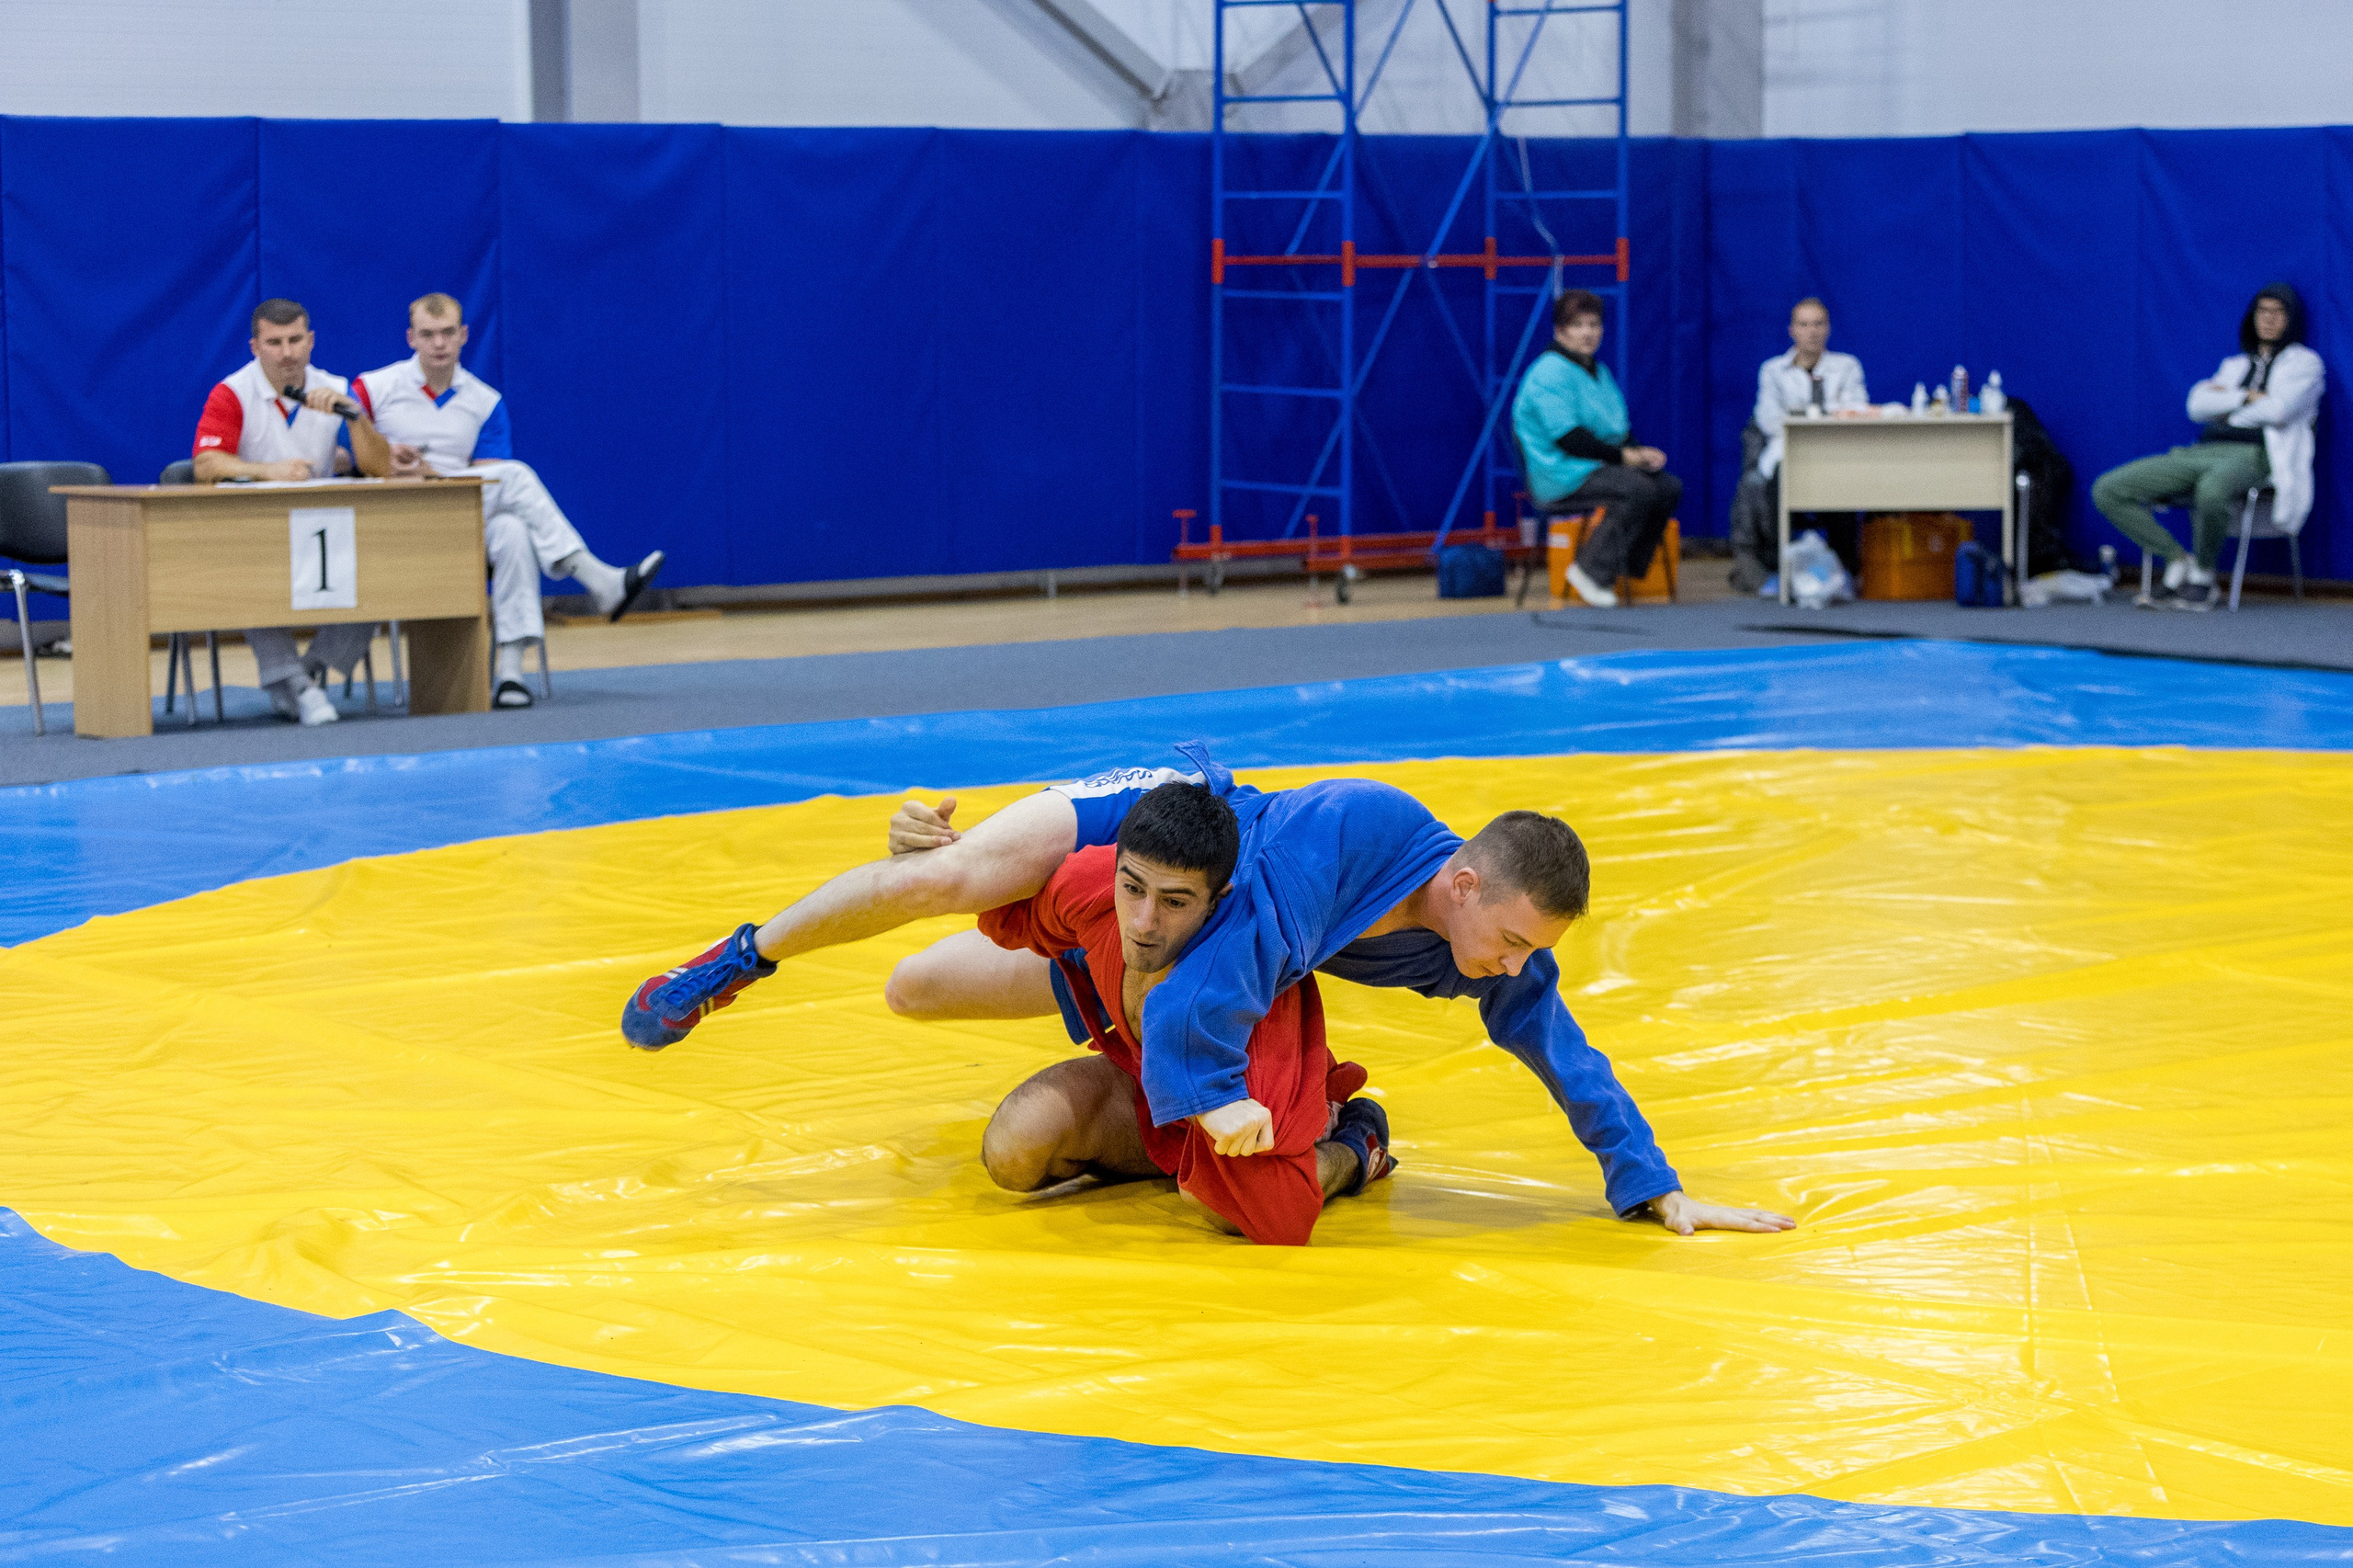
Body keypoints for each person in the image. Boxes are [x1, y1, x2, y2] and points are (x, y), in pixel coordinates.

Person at [621, 746, 1793, 1237]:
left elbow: (1562, 1050)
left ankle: (1248, 1122)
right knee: (944, 898)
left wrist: (1650, 1182)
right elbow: (1224, 978)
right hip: (1172, 849)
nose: (1515, 963)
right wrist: (1209, 1092)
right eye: (1514, 937)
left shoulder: (1478, 947)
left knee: (926, 987)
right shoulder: (1359, 826)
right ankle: (740, 957)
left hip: (1164, 934)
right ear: (1465, 878)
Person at [975, 780, 1394, 1245]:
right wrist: (931, 848)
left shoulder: (1244, 996)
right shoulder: (1091, 884)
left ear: (1219, 901)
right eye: (1133, 888)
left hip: (1243, 1097)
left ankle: (1356, 1140)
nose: (1144, 923)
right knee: (1012, 1150)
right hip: (1150, 1084)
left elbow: (1284, 1214)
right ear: (1115, 868)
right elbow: (996, 898)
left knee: (1231, 1209)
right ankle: (1183, 1159)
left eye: (1175, 902)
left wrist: (1335, 1151)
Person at [350, 293, 664, 708]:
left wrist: (435, 474)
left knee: (513, 528)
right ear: (411, 338)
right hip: (393, 519)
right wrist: (387, 459)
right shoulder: (372, 388)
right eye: (428, 335)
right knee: (517, 476)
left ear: (464, 336)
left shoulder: (485, 401)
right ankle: (597, 578)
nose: (439, 344)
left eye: (448, 334)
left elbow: (488, 480)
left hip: (458, 515)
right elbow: (345, 458)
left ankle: (510, 674)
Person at [190, 298, 381, 727]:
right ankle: (293, 683)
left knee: (379, 566)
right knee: (252, 568)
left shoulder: (334, 387)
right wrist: (267, 471)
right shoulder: (233, 392)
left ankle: (307, 672)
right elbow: (205, 465)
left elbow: (378, 466)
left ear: (311, 341)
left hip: (325, 530)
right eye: (274, 342)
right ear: (255, 347)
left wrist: (354, 420)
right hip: (256, 533)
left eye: (295, 340)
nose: (287, 352)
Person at [2092, 283, 2324, 611]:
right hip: (2203, 451)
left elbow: (2279, 411)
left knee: (2212, 489)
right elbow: (2197, 405)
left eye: (2278, 312)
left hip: (2259, 455)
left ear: (2292, 319)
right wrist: (2245, 397)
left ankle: (2202, 575)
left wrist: (2227, 406)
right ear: (2252, 317)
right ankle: (2176, 559)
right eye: (2263, 311)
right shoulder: (2235, 365)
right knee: (2109, 489)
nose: (2269, 319)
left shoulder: (2306, 364)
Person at [1508, 290, 1682, 609]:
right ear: (1560, 331)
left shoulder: (1599, 372)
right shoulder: (1548, 372)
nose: (1588, 332)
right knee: (1637, 489)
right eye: (1578, 325)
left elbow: (1618, 430)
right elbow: (1569, 438)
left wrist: (1639, 453)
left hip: (1597, 466)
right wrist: (1623, 458)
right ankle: (1590, 572)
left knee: (1668, 486)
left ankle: (1623, 569)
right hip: (1559, 472)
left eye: (1594, 324)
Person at [1732, 297, 1871, 593]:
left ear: (1828, 329)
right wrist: (1824, 417)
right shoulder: (1772, 370)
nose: (1812, 332)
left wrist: (1804, 416)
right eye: (1804, 325)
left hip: (1836, 454)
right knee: (1777, 479)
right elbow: (1769, 420)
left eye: (1819, 324)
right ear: (1792, 330)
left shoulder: (1846, 366)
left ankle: (1845, 567)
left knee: (1846, 480)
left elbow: (1855, 410)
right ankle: (1781, 567)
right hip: (1787, 453)